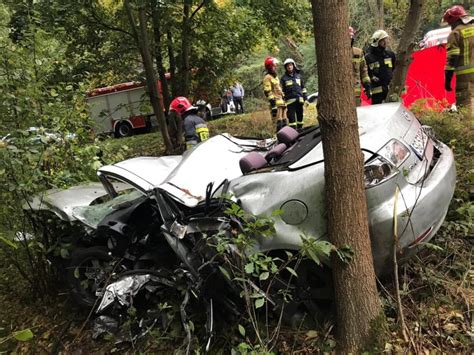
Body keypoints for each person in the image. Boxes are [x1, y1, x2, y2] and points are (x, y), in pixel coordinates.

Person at [443, 5, 474, 117]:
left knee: (465, 108)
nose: (450, 25)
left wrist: (448, 78)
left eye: (449, 22)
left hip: (464, 78)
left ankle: (468, 132)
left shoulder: (455, 33)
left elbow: (452, 58)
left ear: (453, 19)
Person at [365, 30, 396, 104]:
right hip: (377, 94)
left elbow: (394, 70)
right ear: (377, 41)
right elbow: (366, 74)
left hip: (389, 91)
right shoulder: (368, 57)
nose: (386, 42)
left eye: (386, 39)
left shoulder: (390, 54)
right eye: (383, 40)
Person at [280, 58, 307, 130]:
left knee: (300, 118)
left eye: (291, 65)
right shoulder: (283, 78)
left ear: (293, 65)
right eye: (288, 66)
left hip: (299, 101)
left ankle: (301, 131)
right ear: (285, 67)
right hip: (290, 103)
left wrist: (306, 99)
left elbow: (303, 88)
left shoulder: (299, 76)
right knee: (292, 120)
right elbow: (281, 91)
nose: (289, 67)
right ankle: (293, 134)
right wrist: (283, 101)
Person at [263, 56, 286, 132]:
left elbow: (279, 88)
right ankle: (278, 139)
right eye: (274, 66)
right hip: (276, 104)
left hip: (282, 102)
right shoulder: (267, 77)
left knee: (284, 122)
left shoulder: (275, 77)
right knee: (278, 123)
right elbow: (267, 91)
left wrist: (284, 97)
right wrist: (273, 104)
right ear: (269, 67)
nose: (275, 67)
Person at [349, 26, 371, 106]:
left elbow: (364, 71)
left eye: (351, 37)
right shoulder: (337, 53)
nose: (350, 39)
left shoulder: (358, 52)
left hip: (356, 95)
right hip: (343, 95)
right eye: (348, 37)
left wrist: (367, 85)